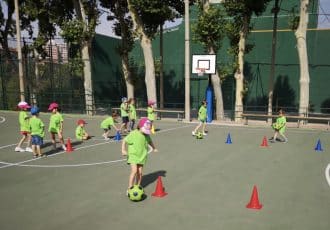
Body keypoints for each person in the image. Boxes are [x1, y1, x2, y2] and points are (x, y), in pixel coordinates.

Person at [121, 117, 158, 195]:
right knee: (134, 171)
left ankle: (137, 186)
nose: (146, 132)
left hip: (142, 156)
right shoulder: (134, 133)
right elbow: (124, 140)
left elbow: (150, 141)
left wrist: (154, 148)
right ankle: (130, 188)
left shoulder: (146, 135)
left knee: (140, 173)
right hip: (133, 155)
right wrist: (123, 150)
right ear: (140, 126)